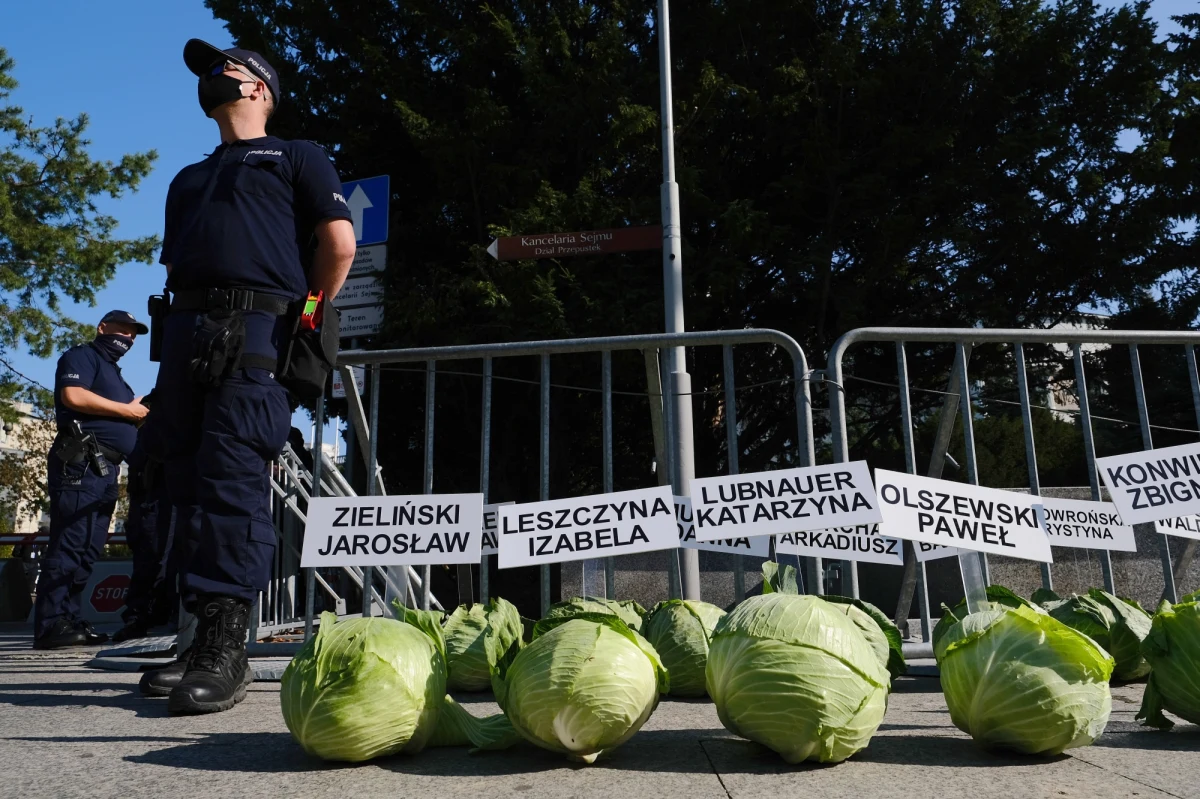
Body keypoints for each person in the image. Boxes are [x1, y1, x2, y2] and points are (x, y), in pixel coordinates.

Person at [138, 40, 355, 714]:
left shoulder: (295, 155)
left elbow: (339, 242)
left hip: (255, 332)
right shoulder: (187, 180)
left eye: (224, 67)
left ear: (259, 87)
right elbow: (175, 271)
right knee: (180, 478)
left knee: (231, 478)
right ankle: (199, 633)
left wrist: (307, 318)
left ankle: (228, 649)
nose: (211, 77)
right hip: (184, 335)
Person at [33, 311, 150, 649]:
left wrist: (138, 410)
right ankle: (50, 624)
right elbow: (74, 396)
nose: (127, 338)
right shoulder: (82, 355)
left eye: (133, 334)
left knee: (88, 548)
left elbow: (120, 417)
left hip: (105, 469)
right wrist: (128, 411)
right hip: (81, 464)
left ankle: (68, 618)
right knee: (70, 543)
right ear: (103, 328)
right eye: (122, 330)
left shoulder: (114, 372)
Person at [113, 393, 177, 643]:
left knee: (161, 560)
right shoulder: (152, 430)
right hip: (153, 500)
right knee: (150, 559)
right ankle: (139, 617)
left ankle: (153, 614)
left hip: (166, 499)